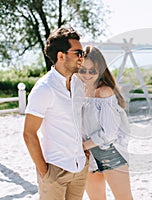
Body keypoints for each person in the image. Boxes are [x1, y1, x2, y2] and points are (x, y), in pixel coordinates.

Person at [23, 27, 89, 200]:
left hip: (80, 167)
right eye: (78, 53)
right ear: (61, 56)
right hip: (55, 170)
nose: (82, 58)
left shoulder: (78, 84)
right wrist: (45, 173)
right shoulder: (44, 89)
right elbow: (29, 133)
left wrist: (84, 153)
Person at [77, 46, 133, 200]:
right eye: (82, 70)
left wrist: (81, 146)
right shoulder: (77, 91)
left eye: (92, 71)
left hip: (109, 151)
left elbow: (109, 133)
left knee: (124, 198)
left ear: (100, 70)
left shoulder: (104, 92)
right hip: (88, 154)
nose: (87, 75)